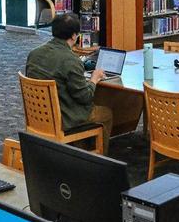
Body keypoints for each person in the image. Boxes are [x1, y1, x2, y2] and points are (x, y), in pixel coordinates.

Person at [25, 13, 113, 151]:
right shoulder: (71, 60)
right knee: (106, 114)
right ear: (73, 36)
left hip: (38, 114)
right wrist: (94, 78)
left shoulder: (34, 54)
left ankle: (78, 148)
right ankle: (96, 157)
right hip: (64, 118)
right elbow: (85, 97)